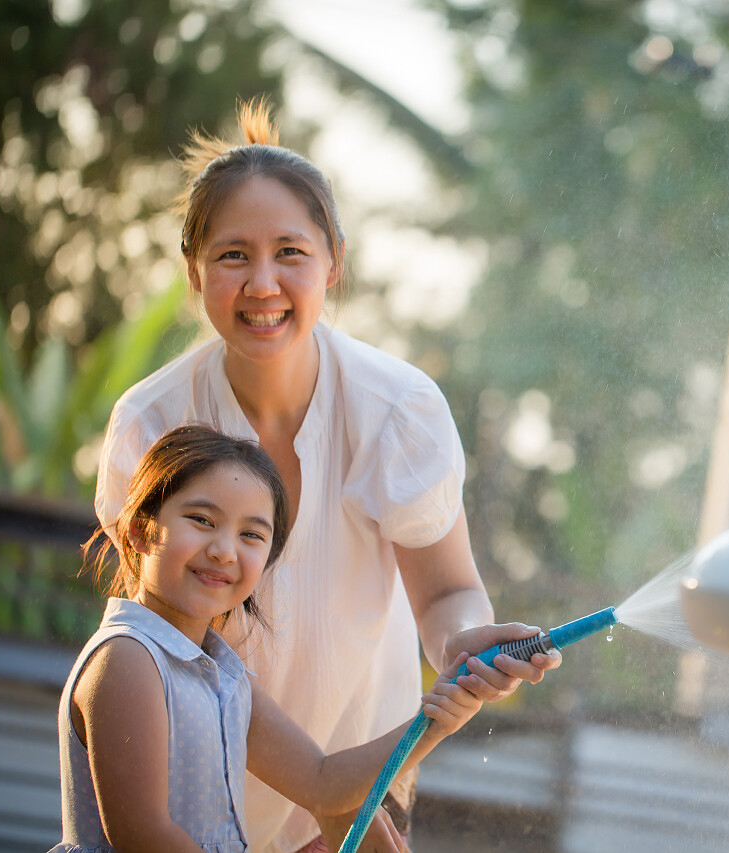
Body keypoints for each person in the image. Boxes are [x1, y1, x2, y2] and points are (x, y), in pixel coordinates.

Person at [94, 98, 561, 852]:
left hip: (356, 773)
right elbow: (154, 637)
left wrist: (463, 646)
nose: (263, 283)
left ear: (334, 261)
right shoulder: (152, 422)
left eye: (291, 252)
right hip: (197, 797)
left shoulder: (398, 408)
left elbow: (443, 592)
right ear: (194, 270)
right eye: (233, 255)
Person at [57, 424, 482, 853]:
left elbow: (322, 782)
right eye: (202, 520)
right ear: (140, 529)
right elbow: (142, 835)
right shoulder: (128, 658)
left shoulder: (225, 674)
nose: (225, 550)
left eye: (251, 535)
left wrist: (434, 722)